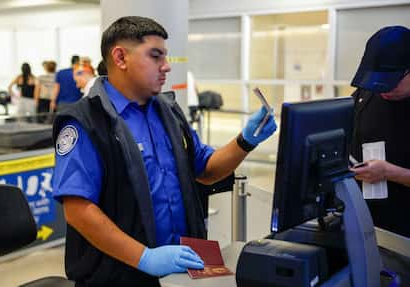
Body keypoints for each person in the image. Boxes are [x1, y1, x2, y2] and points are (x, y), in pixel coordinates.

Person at [52, 16, 276, 286]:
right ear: (121, 57)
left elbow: (205, 170)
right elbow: (78, 210)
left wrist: (245, 141)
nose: (167, 66)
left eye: (165, 56)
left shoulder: (167, 111)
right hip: (119, 275)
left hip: (182, 271)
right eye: (156, 56)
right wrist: (145, 257)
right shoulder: (86, 121)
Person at [349, 25, 410, 284]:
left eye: (391, 81)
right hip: (370, 231)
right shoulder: (367, 96)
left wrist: (390, 173)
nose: (382, 89)